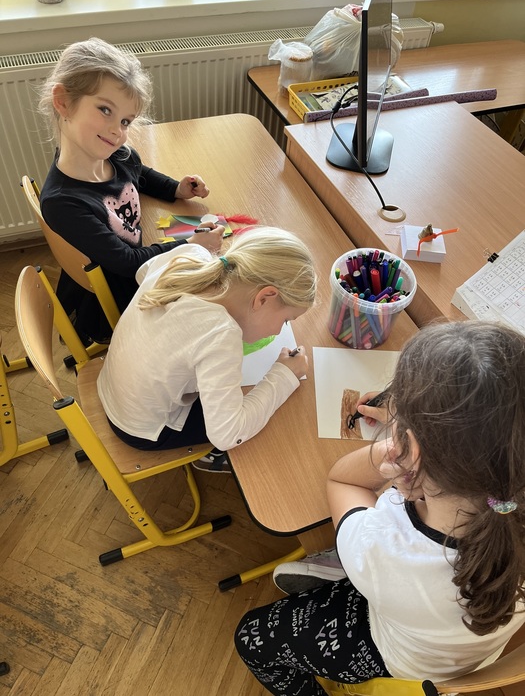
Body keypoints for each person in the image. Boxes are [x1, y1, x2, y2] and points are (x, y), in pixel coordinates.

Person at [235, 320, 525, 693]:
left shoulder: (383, 547)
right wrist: (421, 435)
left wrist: (402, 444)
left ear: (411, 451)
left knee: (251, 637)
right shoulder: (504, 504)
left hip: (395, 653)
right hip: (457, 649)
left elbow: (343, 480)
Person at [38, 37, 223, 343]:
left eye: (125, 120)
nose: (117, 131)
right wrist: (191, 244)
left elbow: (140, 174)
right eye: (105, 110)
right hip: (125, 295)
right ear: (63, 102)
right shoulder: (63, 202)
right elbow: (127, 262)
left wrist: (176, 189)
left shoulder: (115, 155)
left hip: (140, 260)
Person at [97, 226, 317, 472]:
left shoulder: (190, 254)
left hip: (111, 386)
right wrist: (285, 375)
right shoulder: (221, 334)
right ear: (264, 298)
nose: (278, 332)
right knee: (268, 425)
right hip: (141, 428)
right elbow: (228, 433)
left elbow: (142, 274)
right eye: (286, 320)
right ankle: (212, 458)